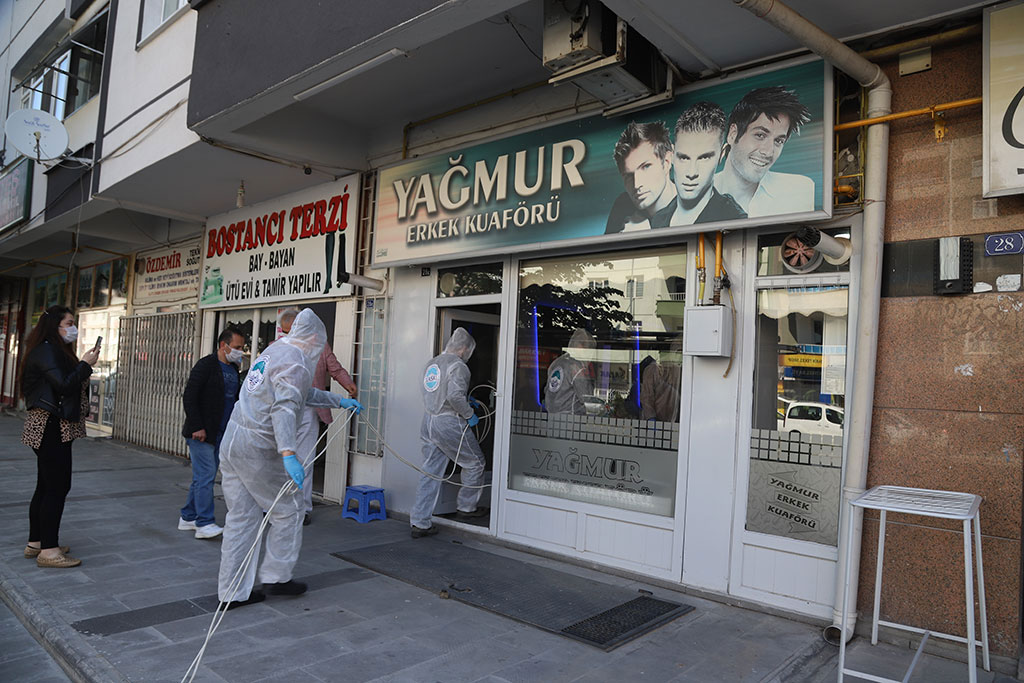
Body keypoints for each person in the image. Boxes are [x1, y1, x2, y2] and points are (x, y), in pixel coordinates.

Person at [217, 309, 361, 609]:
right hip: (257, 448)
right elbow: (284, 407)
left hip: (233, 440)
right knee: (290, 509)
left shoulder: (274, 350)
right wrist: (289, 453)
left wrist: (338, 401)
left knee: (241, 518)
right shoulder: (296, 361)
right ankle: (277, 577)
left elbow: (300, 394)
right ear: (313, 338)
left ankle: (232, 592)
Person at [20, 306, 99, 568]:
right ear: (55, 326)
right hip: (50, 425)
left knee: (46, 485)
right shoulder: (47, 350)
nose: (73, 328)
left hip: (51, 424)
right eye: (69, 323)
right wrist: (85, 364)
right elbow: (64, 384)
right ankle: (50, 552)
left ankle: (37, 542)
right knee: (56, 487)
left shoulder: (51, 350)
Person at [277, 307, 358, 526]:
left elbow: (334, 368)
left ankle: (302, 509)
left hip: (309, 409)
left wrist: (348, 385)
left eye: (293, 331)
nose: (290, 336)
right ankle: (276, 506)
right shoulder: (278, 348)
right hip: (282, 410)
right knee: (281, 460)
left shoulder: (319, 344)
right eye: (286, 332)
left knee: (305, 460)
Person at [410, 328, 487, 538]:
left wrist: (462, 401)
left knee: (430, 471)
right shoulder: (459, 366)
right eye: (468, 351)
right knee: (475, 463)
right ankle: (467, 507)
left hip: (428, 420)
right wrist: (469, 413)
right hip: (448, 422)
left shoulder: (432, 363)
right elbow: (454, 396)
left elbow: (434, 392)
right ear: (463, 349)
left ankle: (420, 522)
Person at [178, 327, 246, 539]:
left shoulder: (233, 369)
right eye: (236, 347)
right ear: (223, 345)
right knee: (206, 476)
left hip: (221, 433)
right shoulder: (206, 365)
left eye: (242, 347)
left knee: (202, 477)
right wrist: (197, 426)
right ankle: (204, 523)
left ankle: (188, 517)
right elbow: (189, 396)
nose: (240, 351)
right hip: (201, 433)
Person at [714, 86, 814, 217]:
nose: (768, 152)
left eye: (778, 141)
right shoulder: (697, 194)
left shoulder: (798, 191)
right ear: (733, 134)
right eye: (760, 135)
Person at [669, 101, 747, 226]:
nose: (691, 173)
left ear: (722, 155)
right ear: (672, 155)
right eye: (684, 158)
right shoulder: (658, 218)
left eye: (704, 158)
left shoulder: (734, 220)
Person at [605, 121, 677, 233]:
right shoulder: (623, 204)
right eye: (628, 175)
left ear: (667, 162)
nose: (636, 184)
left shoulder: (696, 204)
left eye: (646, 167)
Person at [544, 328, 595, 416]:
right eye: (589, 350)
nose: (590, 355)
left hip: (551, 417)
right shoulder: (576, 367)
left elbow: (547, 390)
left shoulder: (556, 363)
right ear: (581, 347)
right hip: (571, 418)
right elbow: (586, 397)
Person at [640, 337, 683, 422]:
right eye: (677, 352)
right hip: (657, 421)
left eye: (680, 353)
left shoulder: (679, 371)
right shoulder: (653, 370)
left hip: (675, 420)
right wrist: (651, 418)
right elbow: (647, 398)